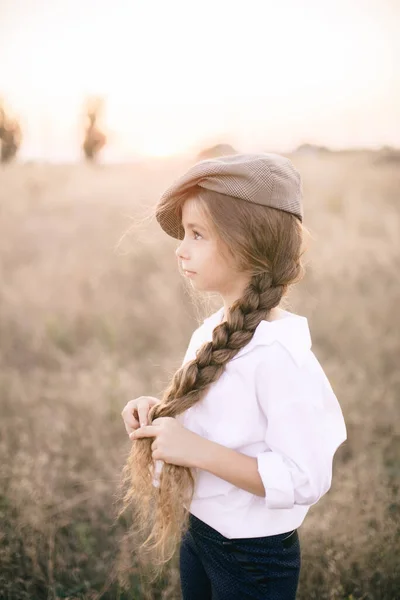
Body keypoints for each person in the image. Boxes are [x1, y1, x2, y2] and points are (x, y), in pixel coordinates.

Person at [120, 153, 347, 600]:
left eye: (197, 234)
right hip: (200, 532)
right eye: (184, 233)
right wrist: (158, 413)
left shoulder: (279, 355)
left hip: (253, 559)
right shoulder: (213, 331)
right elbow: (211, 420)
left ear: (248, 243)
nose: (180, 248)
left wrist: (196, 451)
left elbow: (304, 477)